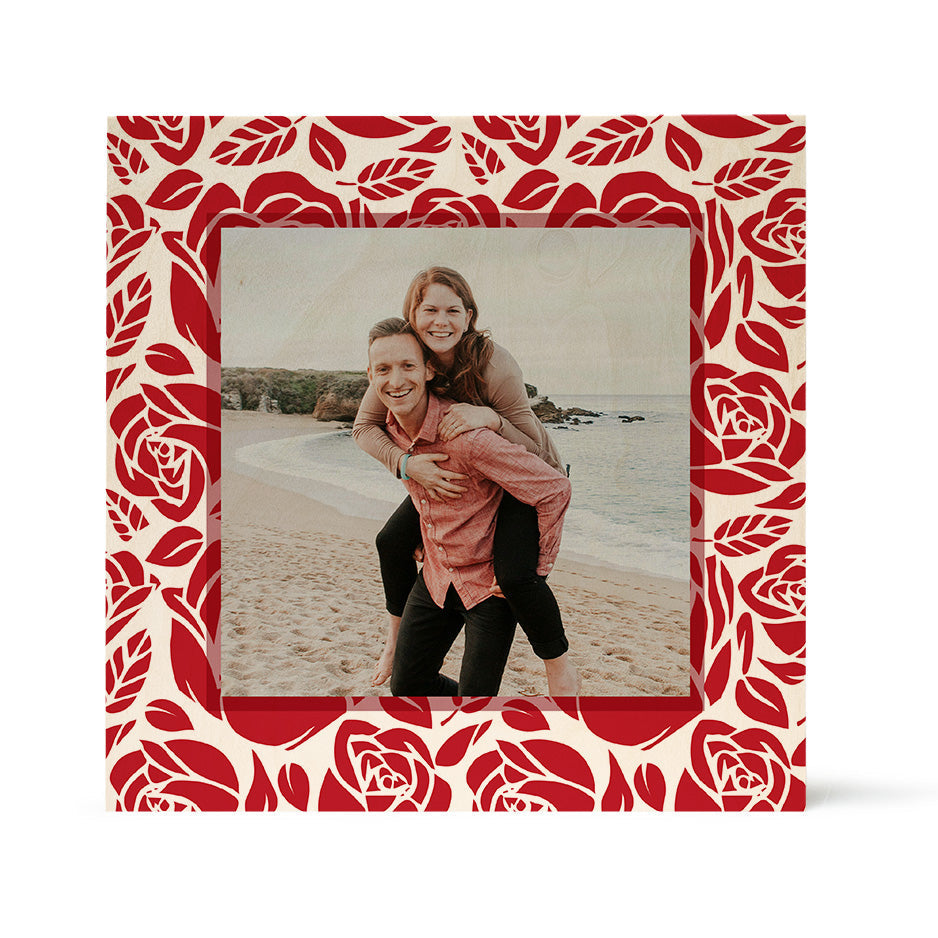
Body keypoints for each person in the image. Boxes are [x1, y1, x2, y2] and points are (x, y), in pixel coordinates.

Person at [354, 266, 580, 696]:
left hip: (526, 468)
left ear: (470, 315)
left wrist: (490, 419)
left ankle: (558, 667)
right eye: (430, 309)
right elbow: (365, 428)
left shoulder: (493, 363)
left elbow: (534, 453)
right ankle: (394, 643)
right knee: (391, 541)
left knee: (515, 576)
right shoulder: (401, 360)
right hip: (465, 463)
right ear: (412, 314)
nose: (441, 321)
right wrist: (406, 465)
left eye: (453, 310)